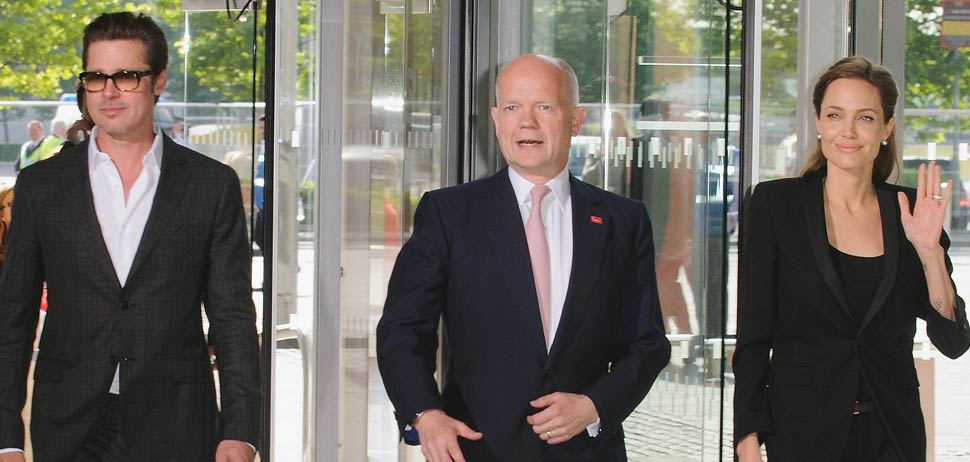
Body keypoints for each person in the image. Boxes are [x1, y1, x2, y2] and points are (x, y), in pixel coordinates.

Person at [376, 54, 670, 462]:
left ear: (576, 120)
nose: (527, 122)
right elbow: (403, 329)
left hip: (586, 451)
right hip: (477, 448)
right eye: (513, 107)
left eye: (544, 107)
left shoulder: (624, 220)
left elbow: (647, 343)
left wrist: (594, 405)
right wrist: (426, 415)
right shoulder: (449, 214)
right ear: (496, 119)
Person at [0, 12, 260, 462]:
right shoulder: (42, 186)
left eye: (126, 76)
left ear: (158, 81)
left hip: (177, 421)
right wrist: (5, 437)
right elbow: (13, 318)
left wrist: (241, 430)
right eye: (96, 77)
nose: (109, 92)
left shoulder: (210, 185)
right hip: (69, 421)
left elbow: (232, 316)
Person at [733, 56, 970, 462]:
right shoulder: (776, 204)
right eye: (835, 115)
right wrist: (747, 437)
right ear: (818, 121)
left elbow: (953, 342)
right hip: (801, 433)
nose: (848, 131)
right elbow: (753, 335)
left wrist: (929, 252)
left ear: (886, 127)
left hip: (893, 436)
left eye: (865, 117)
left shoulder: (911, 212)